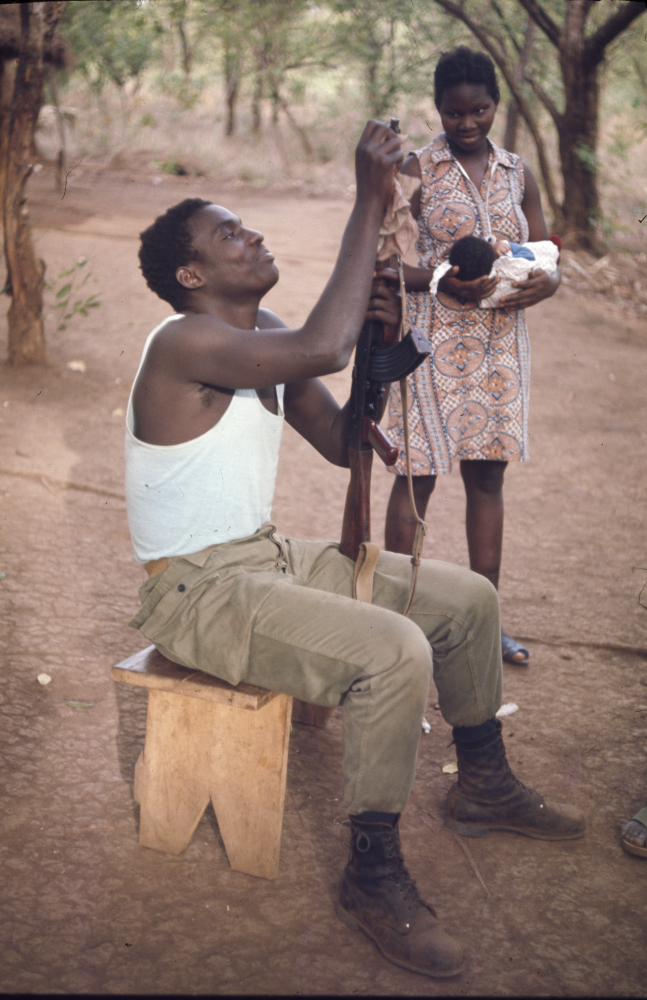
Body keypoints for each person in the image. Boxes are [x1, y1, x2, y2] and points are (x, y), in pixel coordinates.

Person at [125, 120, 584, 981]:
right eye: (230, 235)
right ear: (192, 276)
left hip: (261, 560)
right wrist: (370, 202)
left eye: (246, 225)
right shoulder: (184, 342)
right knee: (393, 649)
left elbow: (342, 441)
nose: (252, 235)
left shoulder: (257, 331)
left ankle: (483, 783)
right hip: (196, 592)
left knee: (469, 600)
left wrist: (387, 356)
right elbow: (321, 346)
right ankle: (371, 874)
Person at [384, 46, 561, 666]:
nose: (466, 123)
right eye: (454, 113)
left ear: (494, 105)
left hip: (499, 348)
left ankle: (485, 625)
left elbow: (545, 251)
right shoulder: (415, 169)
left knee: (488, 480)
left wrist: (550, 282)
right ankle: (393, 624)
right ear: (438, 108)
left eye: (478, 111)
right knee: (417, 478)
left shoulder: (518, 173)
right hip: (429, 345)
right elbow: (383, 261)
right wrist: (441, 280)